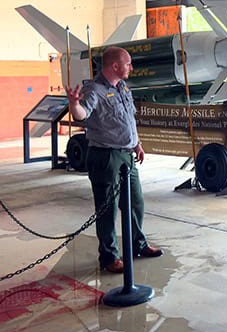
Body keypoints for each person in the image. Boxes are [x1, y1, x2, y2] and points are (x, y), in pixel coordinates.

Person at [66, 46, 162, 273]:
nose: (131, 67)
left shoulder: (122, 87)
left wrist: (136, 144)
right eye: (128, 63)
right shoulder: (94, 90)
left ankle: (138, 245)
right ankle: (109, 257)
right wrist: (74, 104)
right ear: (115, 66)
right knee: (107, 209)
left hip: (127, 154)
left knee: (136, 203)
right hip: (106, 156)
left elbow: (128, 119)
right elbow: (81, 114)